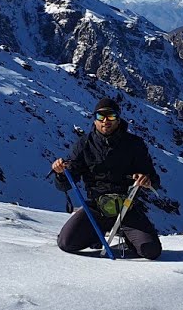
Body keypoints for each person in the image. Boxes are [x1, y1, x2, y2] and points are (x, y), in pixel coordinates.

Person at [52, 98, 163, 260]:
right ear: (94, 119)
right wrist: (61, 173)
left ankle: (126, 235)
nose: (105, 121)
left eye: (110, 116)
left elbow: (153, 178)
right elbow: (66, 184)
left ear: (118, 119)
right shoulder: (84, 145)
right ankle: (96, 234)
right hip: (97, 207)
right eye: (100, 116)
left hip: (127, 207)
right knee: (66, 243)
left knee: (151, 251)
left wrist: (147, 180)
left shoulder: (134, 145)